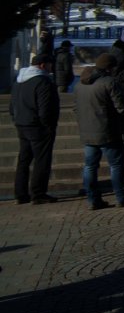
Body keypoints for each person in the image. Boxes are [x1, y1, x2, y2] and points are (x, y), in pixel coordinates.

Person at [75, 53, 124, 209]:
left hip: (87, 131)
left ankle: (93, 199)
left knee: (90, 166)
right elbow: (121, 108)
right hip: (108, 131)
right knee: (116, 165)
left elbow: (76, 108)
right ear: (110, 68)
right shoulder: (109, 82)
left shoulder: (80, 84)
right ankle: (122, 197)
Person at [11, 53, 59, 204]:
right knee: (42, 160)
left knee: (24, 160)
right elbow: (45, 108)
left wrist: (16, 119)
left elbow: (12, 106)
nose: (51, 68)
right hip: (38, 126)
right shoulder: (43, 81)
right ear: (43, 65)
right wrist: (48, 125)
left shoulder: (19, 81)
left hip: (21, 123)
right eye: (50, 64)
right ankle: (38, 193)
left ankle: (20, 193)